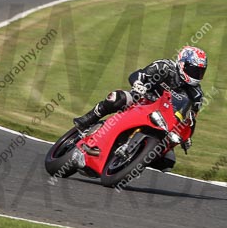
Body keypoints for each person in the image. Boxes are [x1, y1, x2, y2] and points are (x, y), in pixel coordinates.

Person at [73, 46, 208, 154]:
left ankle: (137, 158)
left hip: (164, 119)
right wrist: (138, 83)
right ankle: (88, 119)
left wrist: (187, 136)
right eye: (193, 70)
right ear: (182, 64)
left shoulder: (196, 94)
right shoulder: (165, 67)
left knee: (168, 158)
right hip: (141, 100)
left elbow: (191, 119)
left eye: (200, 72)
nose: (197, 75)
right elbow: (139, 74)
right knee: (117, 98)